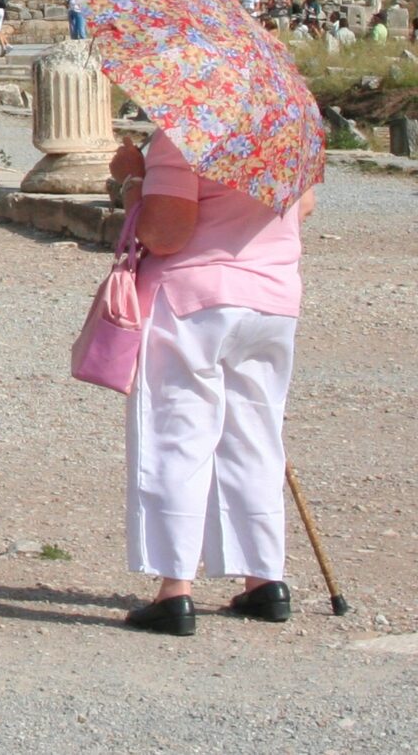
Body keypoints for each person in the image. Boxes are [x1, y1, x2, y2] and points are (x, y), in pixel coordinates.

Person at [113, 132, 312, 636]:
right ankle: (264, 578)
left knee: (177, 435)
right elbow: (303, 204)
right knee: (255, 438)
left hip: (194, 298)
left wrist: (131, 182)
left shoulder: (185, 137)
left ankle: (174, 588)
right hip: (273, 298)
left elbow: (164, 233)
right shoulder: (289, 130)